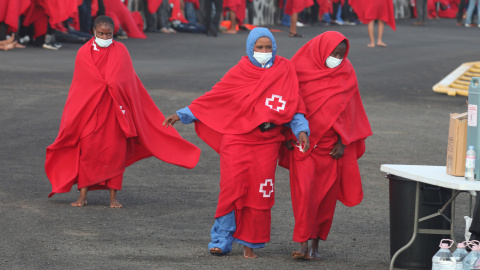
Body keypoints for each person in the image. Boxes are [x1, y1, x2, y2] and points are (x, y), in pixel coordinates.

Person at [163, 27, 310, 258]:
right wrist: (182, 114)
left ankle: (249, 243)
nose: (264, 51)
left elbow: (294, 104)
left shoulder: (285, 69)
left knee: (260, 191)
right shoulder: (240, 70)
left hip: (268, 142)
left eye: (268, 47)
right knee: (231, 188)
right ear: (250, 48)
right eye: (259, 47)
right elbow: (215, 96)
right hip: (237, 138)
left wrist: (301, 129)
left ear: (274, 47)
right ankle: (221, 239)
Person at [45, 15, 200, 208]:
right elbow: (81, 85)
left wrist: (111, 84)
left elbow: (126, 81)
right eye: (101, 33)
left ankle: (113, 197)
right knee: (87, 152)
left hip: (115, 112)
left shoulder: (121, 50)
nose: (104, 36)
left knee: (114, 153)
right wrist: (104, 84)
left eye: (108, 34)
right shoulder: (84, 52)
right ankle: (82, 196)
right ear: (94, 32)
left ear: (113, 33)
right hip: (91, 112)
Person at [280, 31, 372, 260]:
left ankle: (315, 244)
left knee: (326, 198)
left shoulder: (346, 71)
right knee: (304, 195)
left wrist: (343, 141)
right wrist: (286, 135)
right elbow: (286, 102)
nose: (337, 58)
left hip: (331, 146)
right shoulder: (297, 68)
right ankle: (302, 244)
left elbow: (350, 108)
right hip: (303, 143)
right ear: (321, 50)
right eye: (334, 53)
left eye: (341, 54)